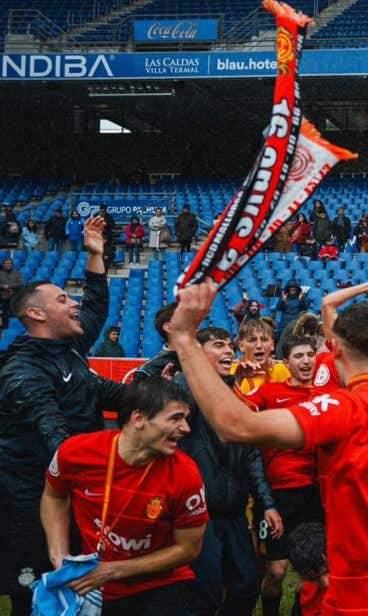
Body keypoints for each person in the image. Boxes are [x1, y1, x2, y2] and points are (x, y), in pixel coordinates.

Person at [169, 282, 368, 614]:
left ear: (336, 352)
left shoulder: (340, 410)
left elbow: (234, 426)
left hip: (360, 597)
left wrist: (185, 339)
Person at [0, 216, 123, 616]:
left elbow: (96, 306)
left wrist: (95, 255)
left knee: (76, 585)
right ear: (37, 316)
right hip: (29, 503)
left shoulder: (67, 347)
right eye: (62, 300)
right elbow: (56, 437)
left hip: (69, 492)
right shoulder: (23, 372)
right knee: (35, 598)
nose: (74, 305)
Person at [40, 378, 209, 614]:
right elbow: (54, 496)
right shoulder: (76, 453)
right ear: (138, 419)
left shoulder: (186, 474)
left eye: (185, 419)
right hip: (95, 585)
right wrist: (59, 556)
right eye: (175, 418)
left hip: (160, 586)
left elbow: (188, 549)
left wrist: (112, 570)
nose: (186, 428)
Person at [172, 326, 277, 616]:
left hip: (233, 513)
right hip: (198, 516)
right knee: (205, 593)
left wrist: (267, 503)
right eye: (219, 345)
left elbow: (252, 454)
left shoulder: (234, 394)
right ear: (198, 353)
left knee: (246, 585)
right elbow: (187, 396)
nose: (229, 351)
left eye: (230, 346)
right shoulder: (183, 389)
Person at [245, 335, 325, 616]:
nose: (305, 361)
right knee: (276, 571)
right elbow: (238, 411)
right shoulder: (270, 392)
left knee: (313, 566)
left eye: (310, 355)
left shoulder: (325, 394)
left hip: (315, 492)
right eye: (298, 356)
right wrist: (231, 382)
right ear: (286, 362)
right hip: (277, 493)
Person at [132, 304, 181, 382]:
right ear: (168, 327)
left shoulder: (202, 361)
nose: (196, 325)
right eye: (187, 319)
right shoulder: (148, 371)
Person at [0, 256, 24, 329]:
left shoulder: (17, 273)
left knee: (13, 313)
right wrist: (3, 286)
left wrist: (9, 286)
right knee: (4, 313)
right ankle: (5, 328)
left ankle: (12, 328)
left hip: (14, 296)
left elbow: (20, 283)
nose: (8, 265)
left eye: (10, 263)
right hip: (3, 296)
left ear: (12, 264)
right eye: (6, 263)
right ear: (3, 264)